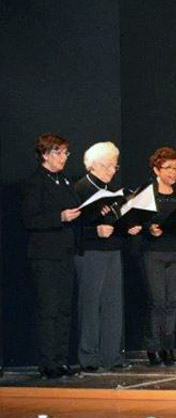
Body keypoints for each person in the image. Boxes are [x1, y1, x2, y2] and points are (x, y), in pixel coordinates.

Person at [73, 142, 140, 372]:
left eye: (115, 166)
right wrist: (95, 231)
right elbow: (73, 226)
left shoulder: (112, 190)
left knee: (113, 304)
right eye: (108, 166)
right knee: (90, 305)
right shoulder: (80, 188)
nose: (112, 170)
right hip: (90, 252)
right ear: (92, 165)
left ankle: (112, 356)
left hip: (113, 250)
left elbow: (115, 222)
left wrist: (128, 227)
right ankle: (89, 357)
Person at [21, 133, 81, 379]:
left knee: (65, 309)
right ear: (45, 154)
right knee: (49, 309)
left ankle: (61, 359)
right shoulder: (35, 182)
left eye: (66, 152)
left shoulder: (64, 180)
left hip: (65, 252)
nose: (64, 157)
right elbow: (29, 219)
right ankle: (47, 363)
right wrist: (59, 217)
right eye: (59, 152)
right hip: (45, 255)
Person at [142, 147, 176, 366]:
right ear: (156, 170)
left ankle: (168, 347)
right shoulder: (148, 193)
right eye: (168, 168)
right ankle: (153, 347)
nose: (173, 172)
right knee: (157, 301)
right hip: (154, 252)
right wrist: (149, 228)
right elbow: (138, 219)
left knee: (172, 301)